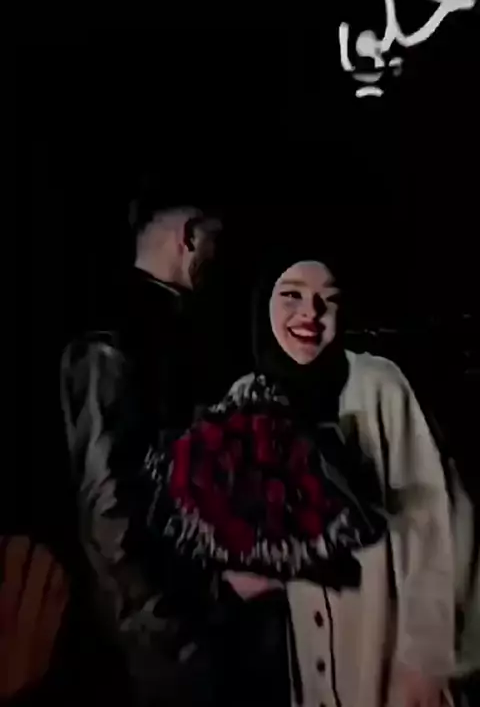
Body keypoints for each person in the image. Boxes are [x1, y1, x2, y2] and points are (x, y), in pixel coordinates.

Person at [191, 247, 455, 707]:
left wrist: (426, 658)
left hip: (380, 643)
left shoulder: (377, 385)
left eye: (327, 300)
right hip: (295, 654)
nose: (310, 313)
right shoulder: (244, 399)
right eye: (291, 295)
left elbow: (433, 521)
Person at [60, 199, 222, 706]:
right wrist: (164, 627)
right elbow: (107, 504)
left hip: (182, 620)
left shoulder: (170, 329)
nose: (217, 256)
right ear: (190, 237)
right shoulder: (116, 340)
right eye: (215, 240)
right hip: (154, 641)